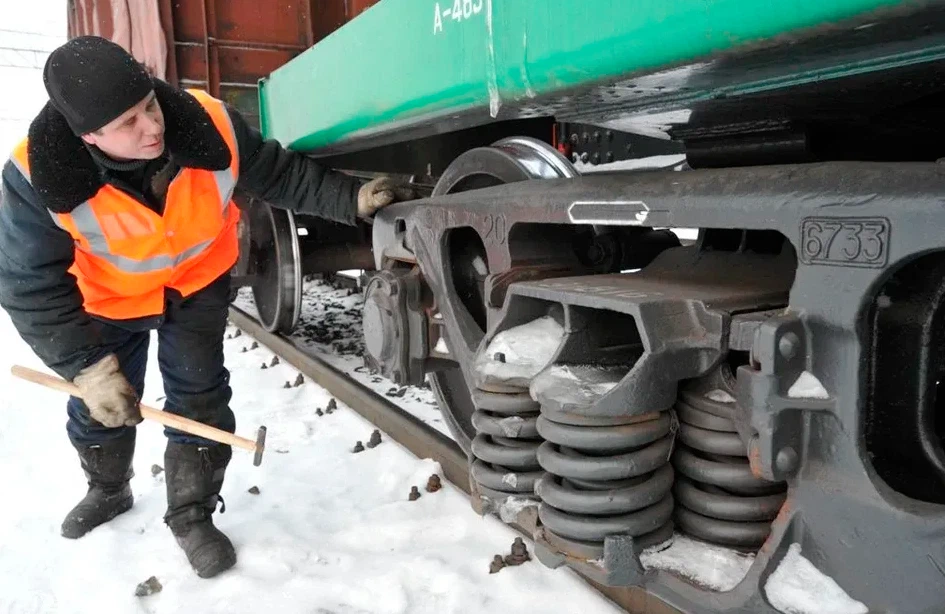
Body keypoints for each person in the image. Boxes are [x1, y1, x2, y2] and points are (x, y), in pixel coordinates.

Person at [0, 36, 415, 579]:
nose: (152, 127)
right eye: (129, 123)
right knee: (102, 402)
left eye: (149, 104)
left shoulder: (206, 121)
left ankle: (191, 514)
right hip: (108, 301)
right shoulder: (36, 174)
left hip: (195, 285)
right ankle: (107, 489)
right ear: (88, 137)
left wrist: (347, 200)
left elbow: (276, 172)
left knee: (199, 395)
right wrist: (85, 367)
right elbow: (28, 282)